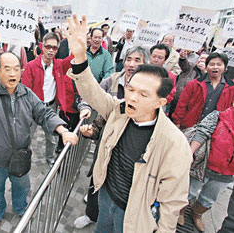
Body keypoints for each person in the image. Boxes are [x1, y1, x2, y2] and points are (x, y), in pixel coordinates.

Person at [66, 15, 191, 233]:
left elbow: (172, 201)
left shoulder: (175, 143)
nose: (132, 98)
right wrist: (78, 56)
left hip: (134, 213)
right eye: (131, 90)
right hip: (106, 195)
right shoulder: (119, 110)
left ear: (161, 102)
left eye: (143, 94)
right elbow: (92, 92)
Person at [0, 30, 78, 232]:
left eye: (16, 69)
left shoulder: (26, 94)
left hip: (21, 156)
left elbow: (44, 113)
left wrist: (62, 130)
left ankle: (21, 210)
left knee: (22, 188)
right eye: (7, 69)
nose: (12, 73)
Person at [73, 45, 149, 229]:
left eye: (137, 60)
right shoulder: (113, 84)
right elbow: (93, 94)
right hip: (106, 144)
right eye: (129, 59)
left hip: (129, 163)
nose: (131, 64)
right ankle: (91, 214)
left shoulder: (153, 94)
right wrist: (86, 110)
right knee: (97, 178)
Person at [183, 85, 234, 232]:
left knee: (208, 199)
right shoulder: (218, 116)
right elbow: (202, 133)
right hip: (203, 167)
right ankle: (180, 212)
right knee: (188, 192)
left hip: (228, 173)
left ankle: (197, 214)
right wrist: (190, 154)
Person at [22, 32, 73, 165]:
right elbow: (25, 90)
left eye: (54, 48)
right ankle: (23, 158)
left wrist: (76, 41)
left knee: (51, 137)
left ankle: (50, 157)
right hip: (33, 108)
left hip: (50, 107)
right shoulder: (31, 66)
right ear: (42, 47)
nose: (51, 50)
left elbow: (73, 58)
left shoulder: (59, 65)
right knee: (26, 135)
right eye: (48, 46)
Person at [173, 52, 234, 129]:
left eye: (219, 64)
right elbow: (182, 104)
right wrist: (177, 122)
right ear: (206, 67)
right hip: (191, 126)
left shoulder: (232, 86)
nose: (215, 67)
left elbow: (232, 109)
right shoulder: (194, 84)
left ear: (225, 68)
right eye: (212, 64)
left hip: (216, 128)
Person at [168, 50, 209, 117]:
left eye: (205, 59)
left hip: (190, 105)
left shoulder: (209, 74)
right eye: (201, 58)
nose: (202, 60)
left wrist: (204, 71)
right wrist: (183, 57)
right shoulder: (191, 67)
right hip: (177, 100)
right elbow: (184, 64)